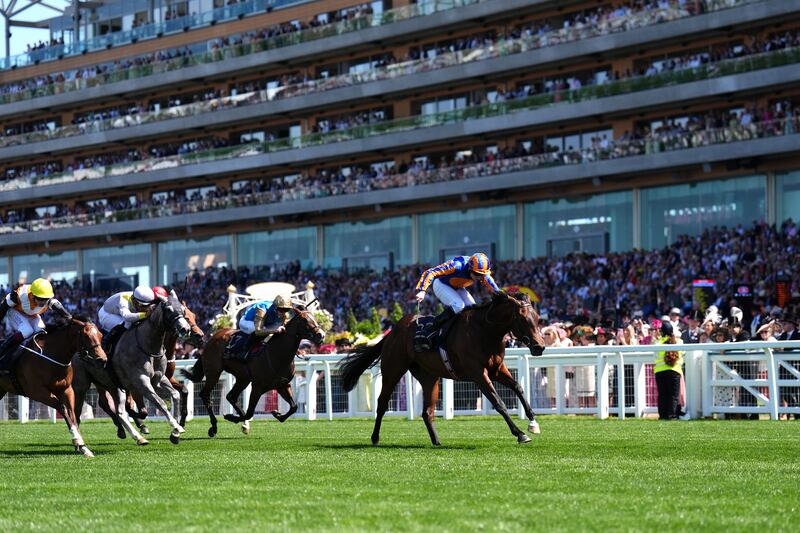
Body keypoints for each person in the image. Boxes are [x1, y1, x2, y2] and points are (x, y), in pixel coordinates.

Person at [413, 252, 499, 351]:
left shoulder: (481, 273)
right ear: (470, 268)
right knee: (459, 305)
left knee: (473, 308)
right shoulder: (456, 265)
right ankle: (429, 331)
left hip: (457, 286)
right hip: (441, 284)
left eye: (482, 275)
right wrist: (422, 290)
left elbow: (496, 290)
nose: (480, 277)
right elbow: (430, 272)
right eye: (477, 274)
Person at [0, 278, 73, 366]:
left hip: (31, 314)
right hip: (15, 312)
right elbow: (3, 307)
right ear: (33, 295)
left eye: (45, 299)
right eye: (40, 299)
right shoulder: (18, 295)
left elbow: (66, 314)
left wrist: (71, 319)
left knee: (41, 330)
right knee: (27, 331)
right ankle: (3, 349)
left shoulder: (49, 300)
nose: (43, 302)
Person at [98, 285, 156, 353]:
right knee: (127, 323)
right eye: (144, 306)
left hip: (118, 312)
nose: (146, 309)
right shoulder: (123, 299)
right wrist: (145, 315)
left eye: (148, 306)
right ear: (135, 302)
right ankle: (105, 343)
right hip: (106, 314)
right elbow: (127, 317)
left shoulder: (139, 298)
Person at [654, 321, 683, 420]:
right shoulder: (678, 342)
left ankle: (662, 415)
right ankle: (672, 416)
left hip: (660, 372)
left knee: (662, 395)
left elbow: (655, 355)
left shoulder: (658, 343)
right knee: (673, 395)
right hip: (674, 371)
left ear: (661, 332)